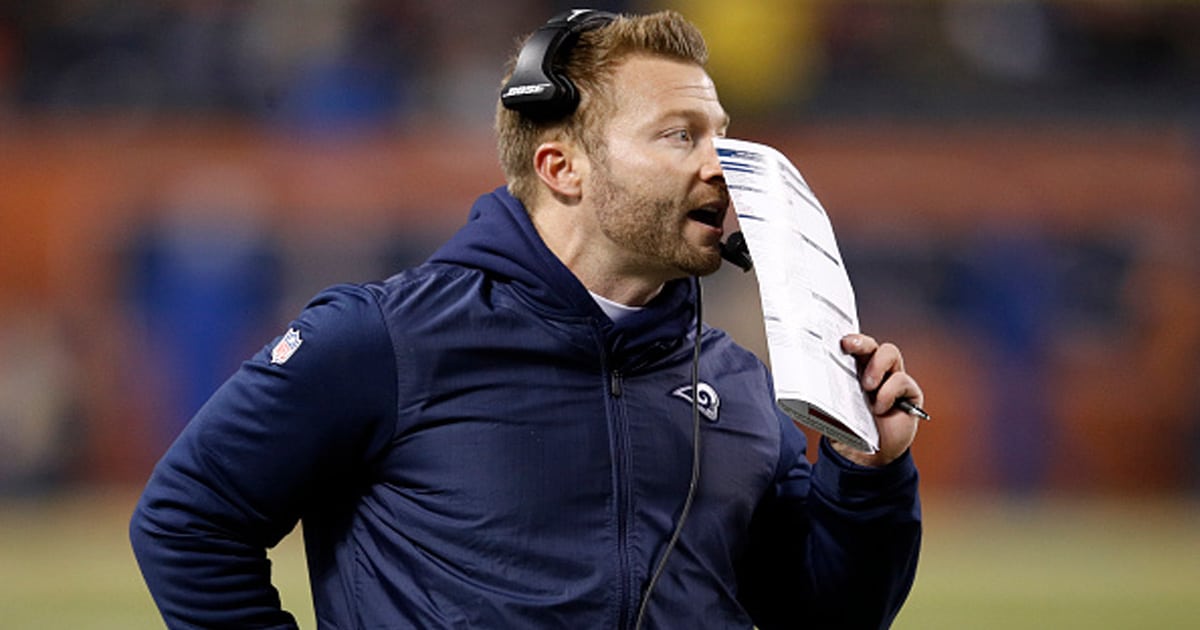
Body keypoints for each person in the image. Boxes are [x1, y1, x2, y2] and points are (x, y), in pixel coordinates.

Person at [130, 9, 924, 629]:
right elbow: (186, 523)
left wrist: (867, 475)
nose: (723, 164)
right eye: (681, 135)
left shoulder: (739, 385)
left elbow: (826, 618)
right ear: (562, 166)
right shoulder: (381, 340)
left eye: (722, 134)